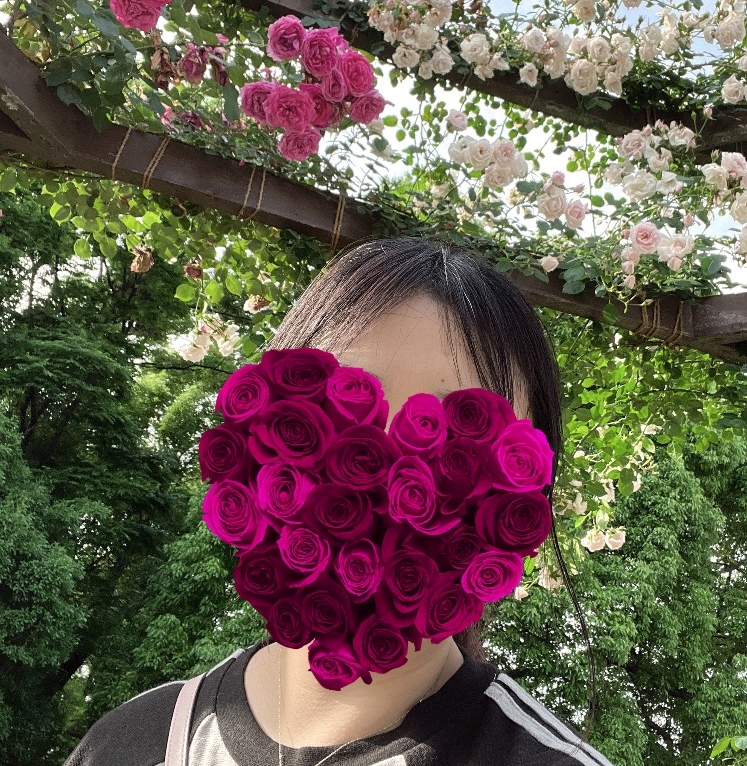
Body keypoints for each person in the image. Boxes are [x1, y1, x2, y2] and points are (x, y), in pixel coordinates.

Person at [65, 237, 613, 766]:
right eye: (351, 407)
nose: (389, 473)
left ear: (530, 492)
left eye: (453, 436)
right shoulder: (131, 743)